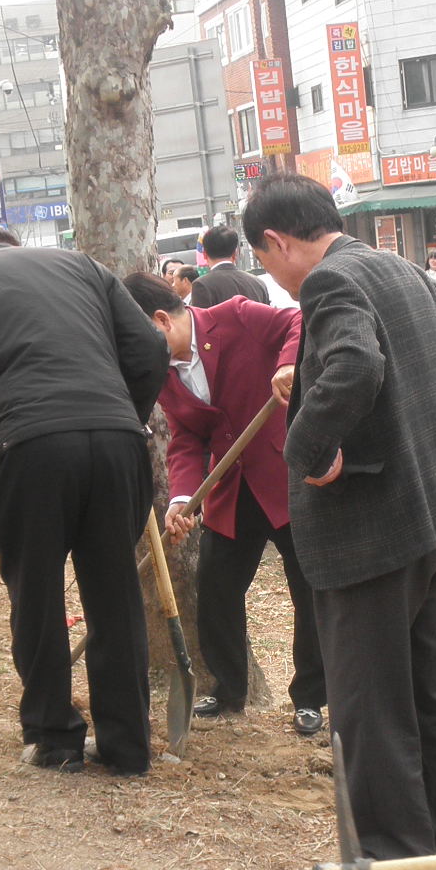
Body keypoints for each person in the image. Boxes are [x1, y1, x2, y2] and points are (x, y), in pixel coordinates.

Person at [241, 174, 436, 861]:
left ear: (277, 241)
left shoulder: (330, 282)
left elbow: (356, 364)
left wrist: (311, 448)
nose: (276, 281)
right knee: (434, 690)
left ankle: (391, 856)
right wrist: (433, 438)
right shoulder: (401, 268)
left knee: (370, 703)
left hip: (370, 534)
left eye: (265, 266)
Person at [0, 229, 167, 776]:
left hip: (31, 449)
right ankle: (129, 747)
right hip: (117, 443)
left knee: (36, 594)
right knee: (115, 594)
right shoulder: (83, 266)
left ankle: (54, 738)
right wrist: (123, 413)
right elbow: (151, 348)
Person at [121, 270, 325, 736]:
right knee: (217, 589)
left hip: (285, 478)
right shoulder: (164, 374)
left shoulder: (233, 318)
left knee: (308, 592)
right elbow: (187, 438)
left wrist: (288, 364)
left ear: (160, 320)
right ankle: (228, 688)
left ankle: (311, 696)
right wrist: (182, 498)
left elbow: (298, 320)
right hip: (232, 489)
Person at [188, 224, 269, 308]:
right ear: (235, 253)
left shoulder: (202, 285)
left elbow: (200, 319)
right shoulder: (258, 283)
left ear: (204, 254)